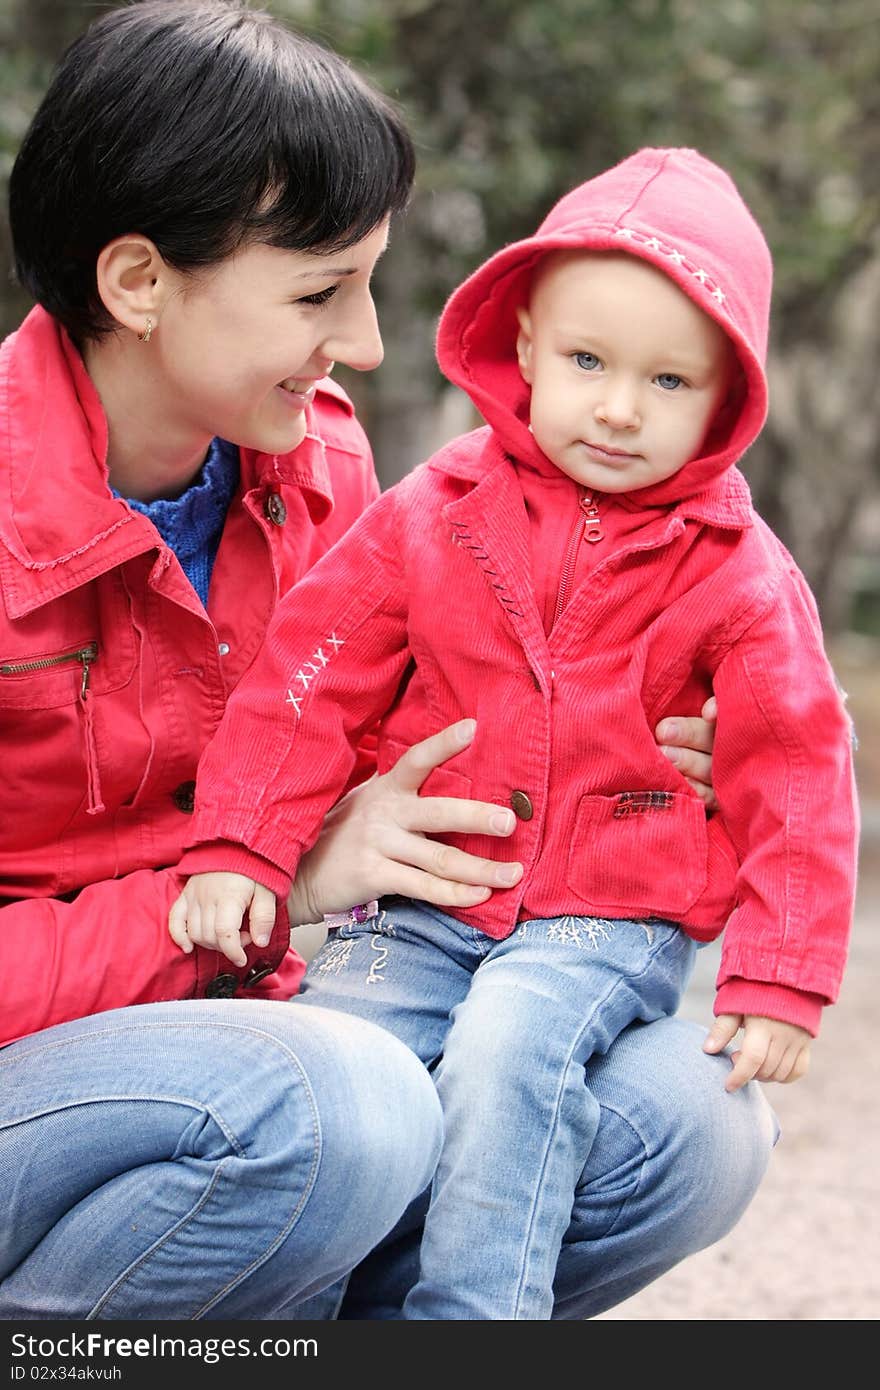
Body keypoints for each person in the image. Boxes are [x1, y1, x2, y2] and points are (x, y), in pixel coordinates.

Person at [0, 0, 773, 1323]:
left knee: (692, 1121)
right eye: (319, 292)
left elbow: (422, 748)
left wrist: (675, 730)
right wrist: (273, 880)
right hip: (65, 1084)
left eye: (367, 283)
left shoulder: (327, 465)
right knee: (336, 1108)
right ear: (137, 283)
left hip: (269, 1024)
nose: (364, 342)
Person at [174, 146, 858, 1320]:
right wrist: (242, 845)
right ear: (527, 345)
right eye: (588, 361)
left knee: (506, 1057)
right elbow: (309, 677)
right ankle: (283, 1324)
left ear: (727, 400)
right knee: (339, 1070)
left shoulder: (737, 571)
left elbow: (794, 762)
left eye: (666, 382)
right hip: (426, 899)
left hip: (605, 910)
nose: (615, 407)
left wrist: (781, 968)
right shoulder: (432, 513)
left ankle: (475, 1317)